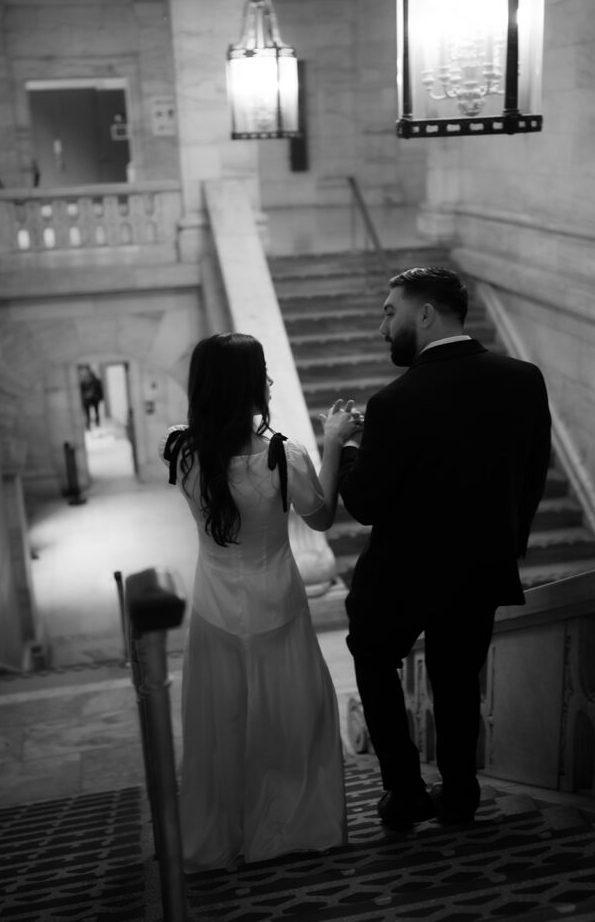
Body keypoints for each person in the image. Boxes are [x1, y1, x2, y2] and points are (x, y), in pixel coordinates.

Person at [335, 266, 551, 829]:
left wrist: (354, 448)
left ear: (425, 314)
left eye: (390, 311)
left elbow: (364, 504)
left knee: (374, 659)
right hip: (480, 569)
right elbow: (532, 477)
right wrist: (508, 546)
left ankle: (404, 789)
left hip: (400, 576)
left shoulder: (394, 404)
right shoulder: (524, 378)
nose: (383, 326)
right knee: (458, 685)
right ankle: (459, 794)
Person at [160, 333, 360, 872]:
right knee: (293, 720)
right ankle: (293, 824)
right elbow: (319, 516)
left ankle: (227, 828)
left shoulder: (180, 451)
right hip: (279, 604)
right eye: (263, 372)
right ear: (246, 385)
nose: (270, 380)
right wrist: (334, 441)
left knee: (222, 725)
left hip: (214, 607)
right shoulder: (281, 454)